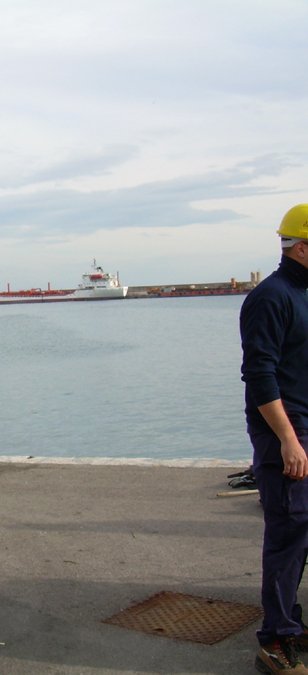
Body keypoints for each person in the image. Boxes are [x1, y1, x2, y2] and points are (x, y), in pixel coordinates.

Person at [241, 203, 308, 675]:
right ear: (301, 247)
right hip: (286, 433)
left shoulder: (301, 293)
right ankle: (276, 639)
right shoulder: (271, 297)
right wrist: (288, 439)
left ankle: (292, 624)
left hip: (303, 427)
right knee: (287, 534)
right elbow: (259, 375)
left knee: (303, 534)